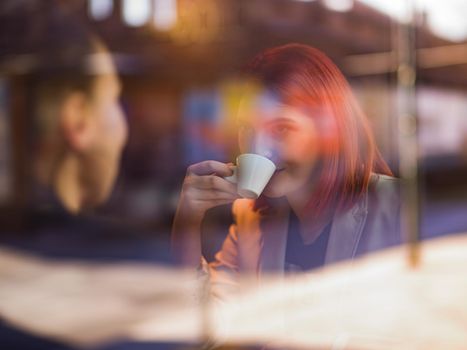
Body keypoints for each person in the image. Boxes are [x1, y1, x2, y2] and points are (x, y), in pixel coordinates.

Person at [172, 43, 401, 299]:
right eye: (247, 129)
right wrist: (187, 226)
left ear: (329, 131)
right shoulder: (251, 217)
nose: (257, 148)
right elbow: (213, 324)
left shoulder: (397, 207)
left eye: (280, 129)